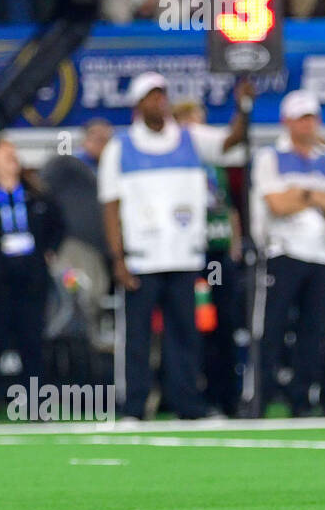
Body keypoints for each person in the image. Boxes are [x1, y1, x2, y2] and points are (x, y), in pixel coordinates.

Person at [99, 72, 251, 420]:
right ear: (138, 104)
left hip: (184, 256)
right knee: (136, 337)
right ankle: (134, 406)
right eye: (152, 96)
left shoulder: (190, 138)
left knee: (185, 333)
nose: (160, 102)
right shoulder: (119, 148)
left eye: (162, 95)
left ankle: (187, 401)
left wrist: (243, 107)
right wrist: (117, 258)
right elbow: (110, 206)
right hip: (141, 258)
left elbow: (232, 140)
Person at [250, 91, 325, 417]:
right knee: (272, 329)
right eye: (302, 118)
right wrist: (321, 196)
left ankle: (302, 399)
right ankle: (260, 397)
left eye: (313, 117)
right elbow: (277, 205)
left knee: (315, 331)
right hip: (283, 252)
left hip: (323, 256)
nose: (309, 124)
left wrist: (304, 194)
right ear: (287, 121)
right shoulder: (270, 157)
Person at [0, 135, 63, 419]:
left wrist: (50, 251)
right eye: (4, 153)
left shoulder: (36, 193)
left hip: (30, 277)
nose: (12, 158)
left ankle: (36, 406)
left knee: (32, 341)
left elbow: (59, 223)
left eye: (14, 153)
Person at [173, 100, 243, 416]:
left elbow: (228, 207)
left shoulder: (215, 163)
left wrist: (235, 243)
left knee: (224, 323)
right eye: (191, 122)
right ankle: (190, 394)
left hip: (218, 252)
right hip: (190, 255)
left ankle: (225, 396)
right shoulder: (176, 164)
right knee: (193, 325)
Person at [40, 119, 114, 353]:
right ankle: (66, 352)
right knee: (76, 298)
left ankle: (85, 354)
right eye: (99, 139)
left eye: (108, 140)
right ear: (86, 140)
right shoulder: (70, 165)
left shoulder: (112, 169)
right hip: (74, 248)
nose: (105, 145)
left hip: (101, 251)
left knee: (94, 296)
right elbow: (43, 185)